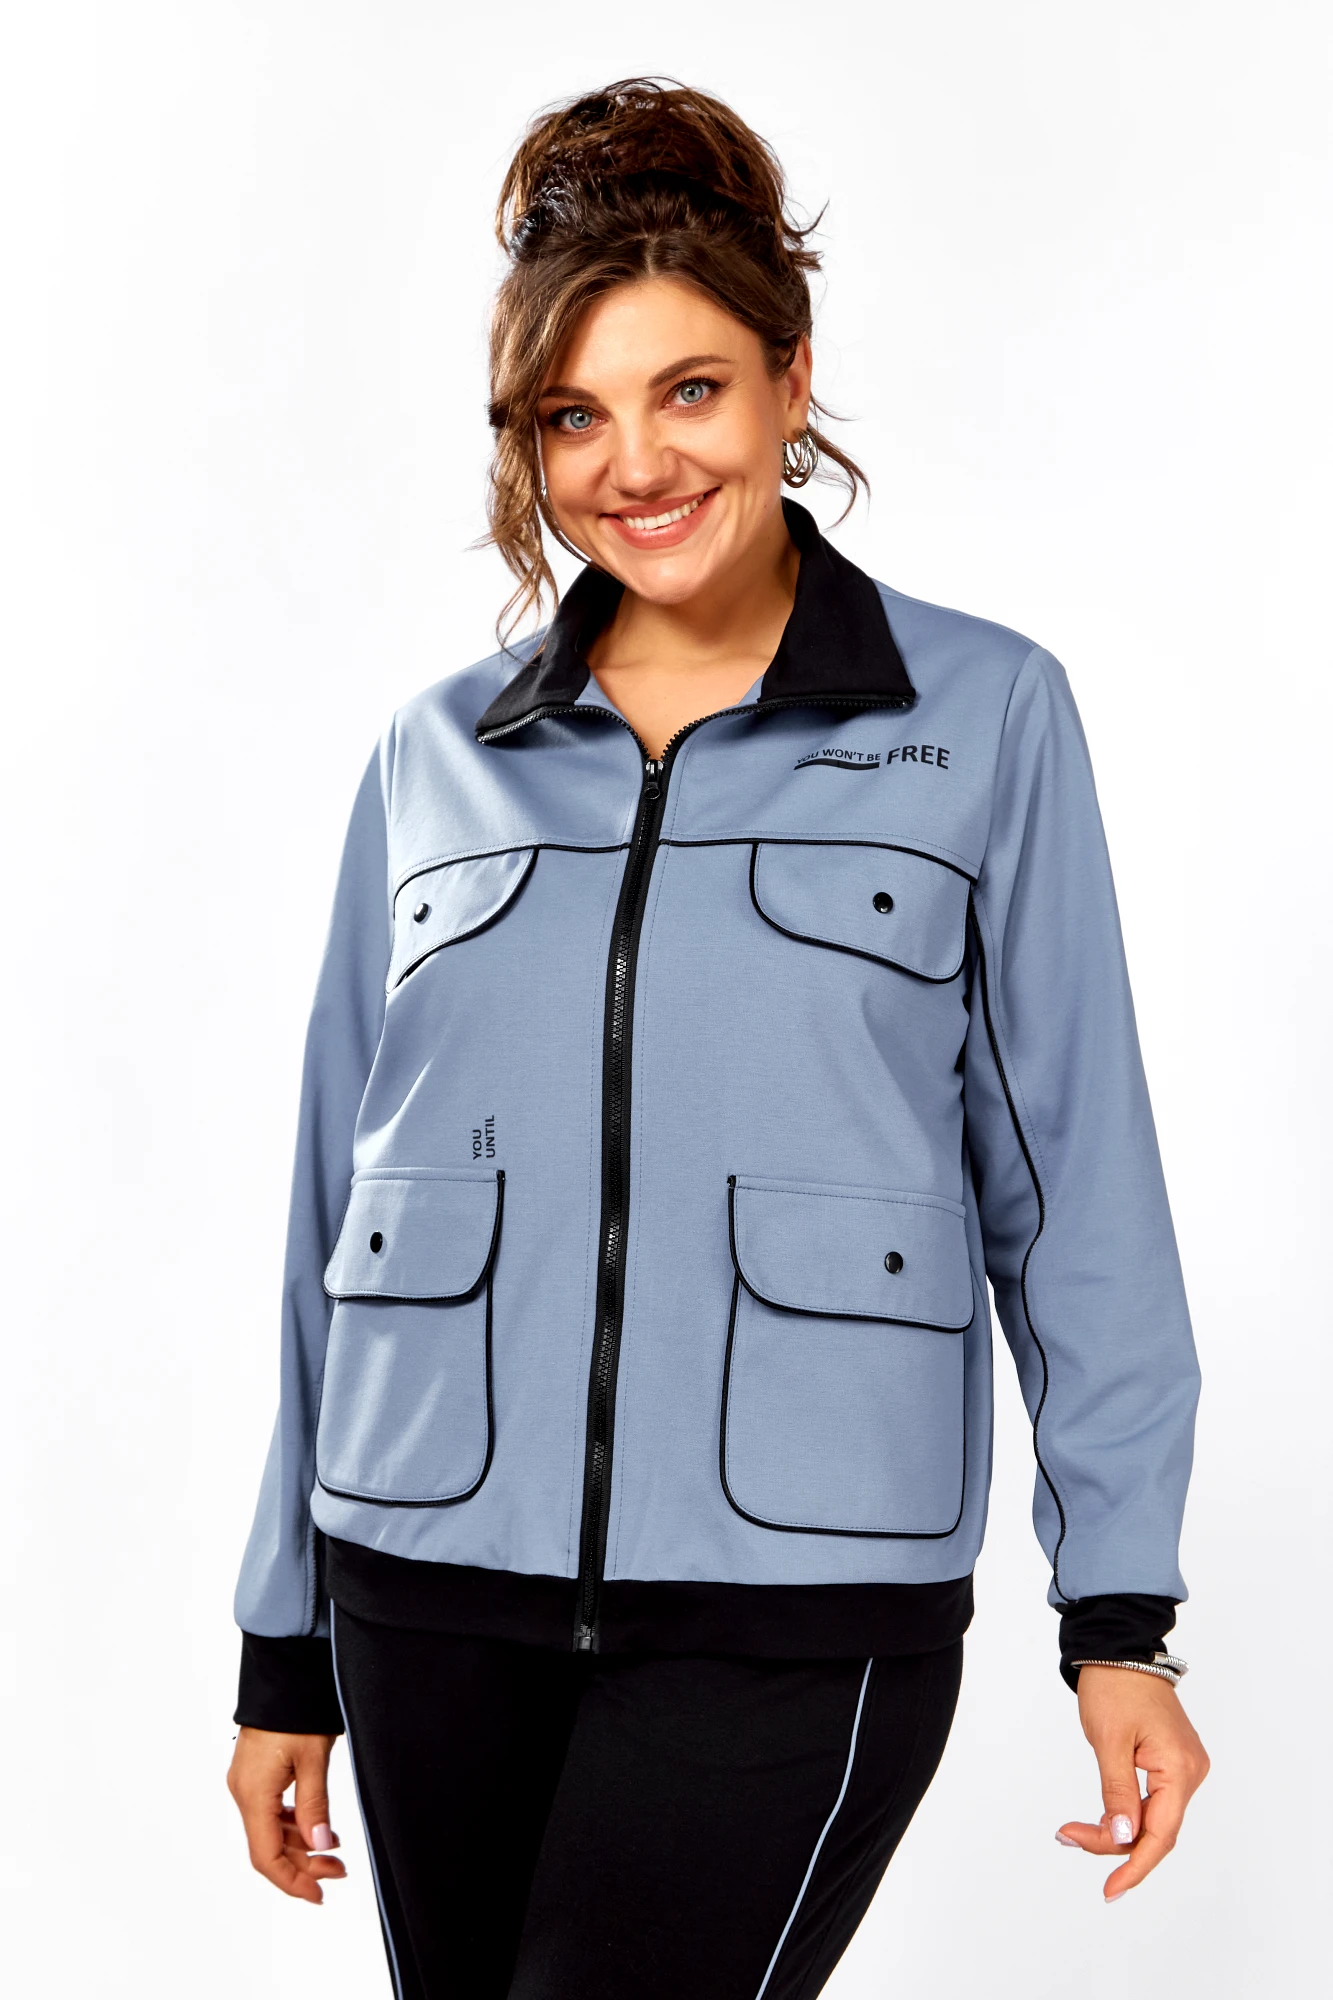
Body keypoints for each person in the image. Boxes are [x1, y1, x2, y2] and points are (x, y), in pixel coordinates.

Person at [226, 77, 1208, 2000]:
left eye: (689, 390)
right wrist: (285, 1639)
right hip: (424, 1594)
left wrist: (1120, 1613)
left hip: (798, 1603)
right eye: (571, 415)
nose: (636, 464)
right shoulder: (437, 757)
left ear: (789, 382)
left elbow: (1073, 1183)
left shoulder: (984, 715)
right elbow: (334, 1206)